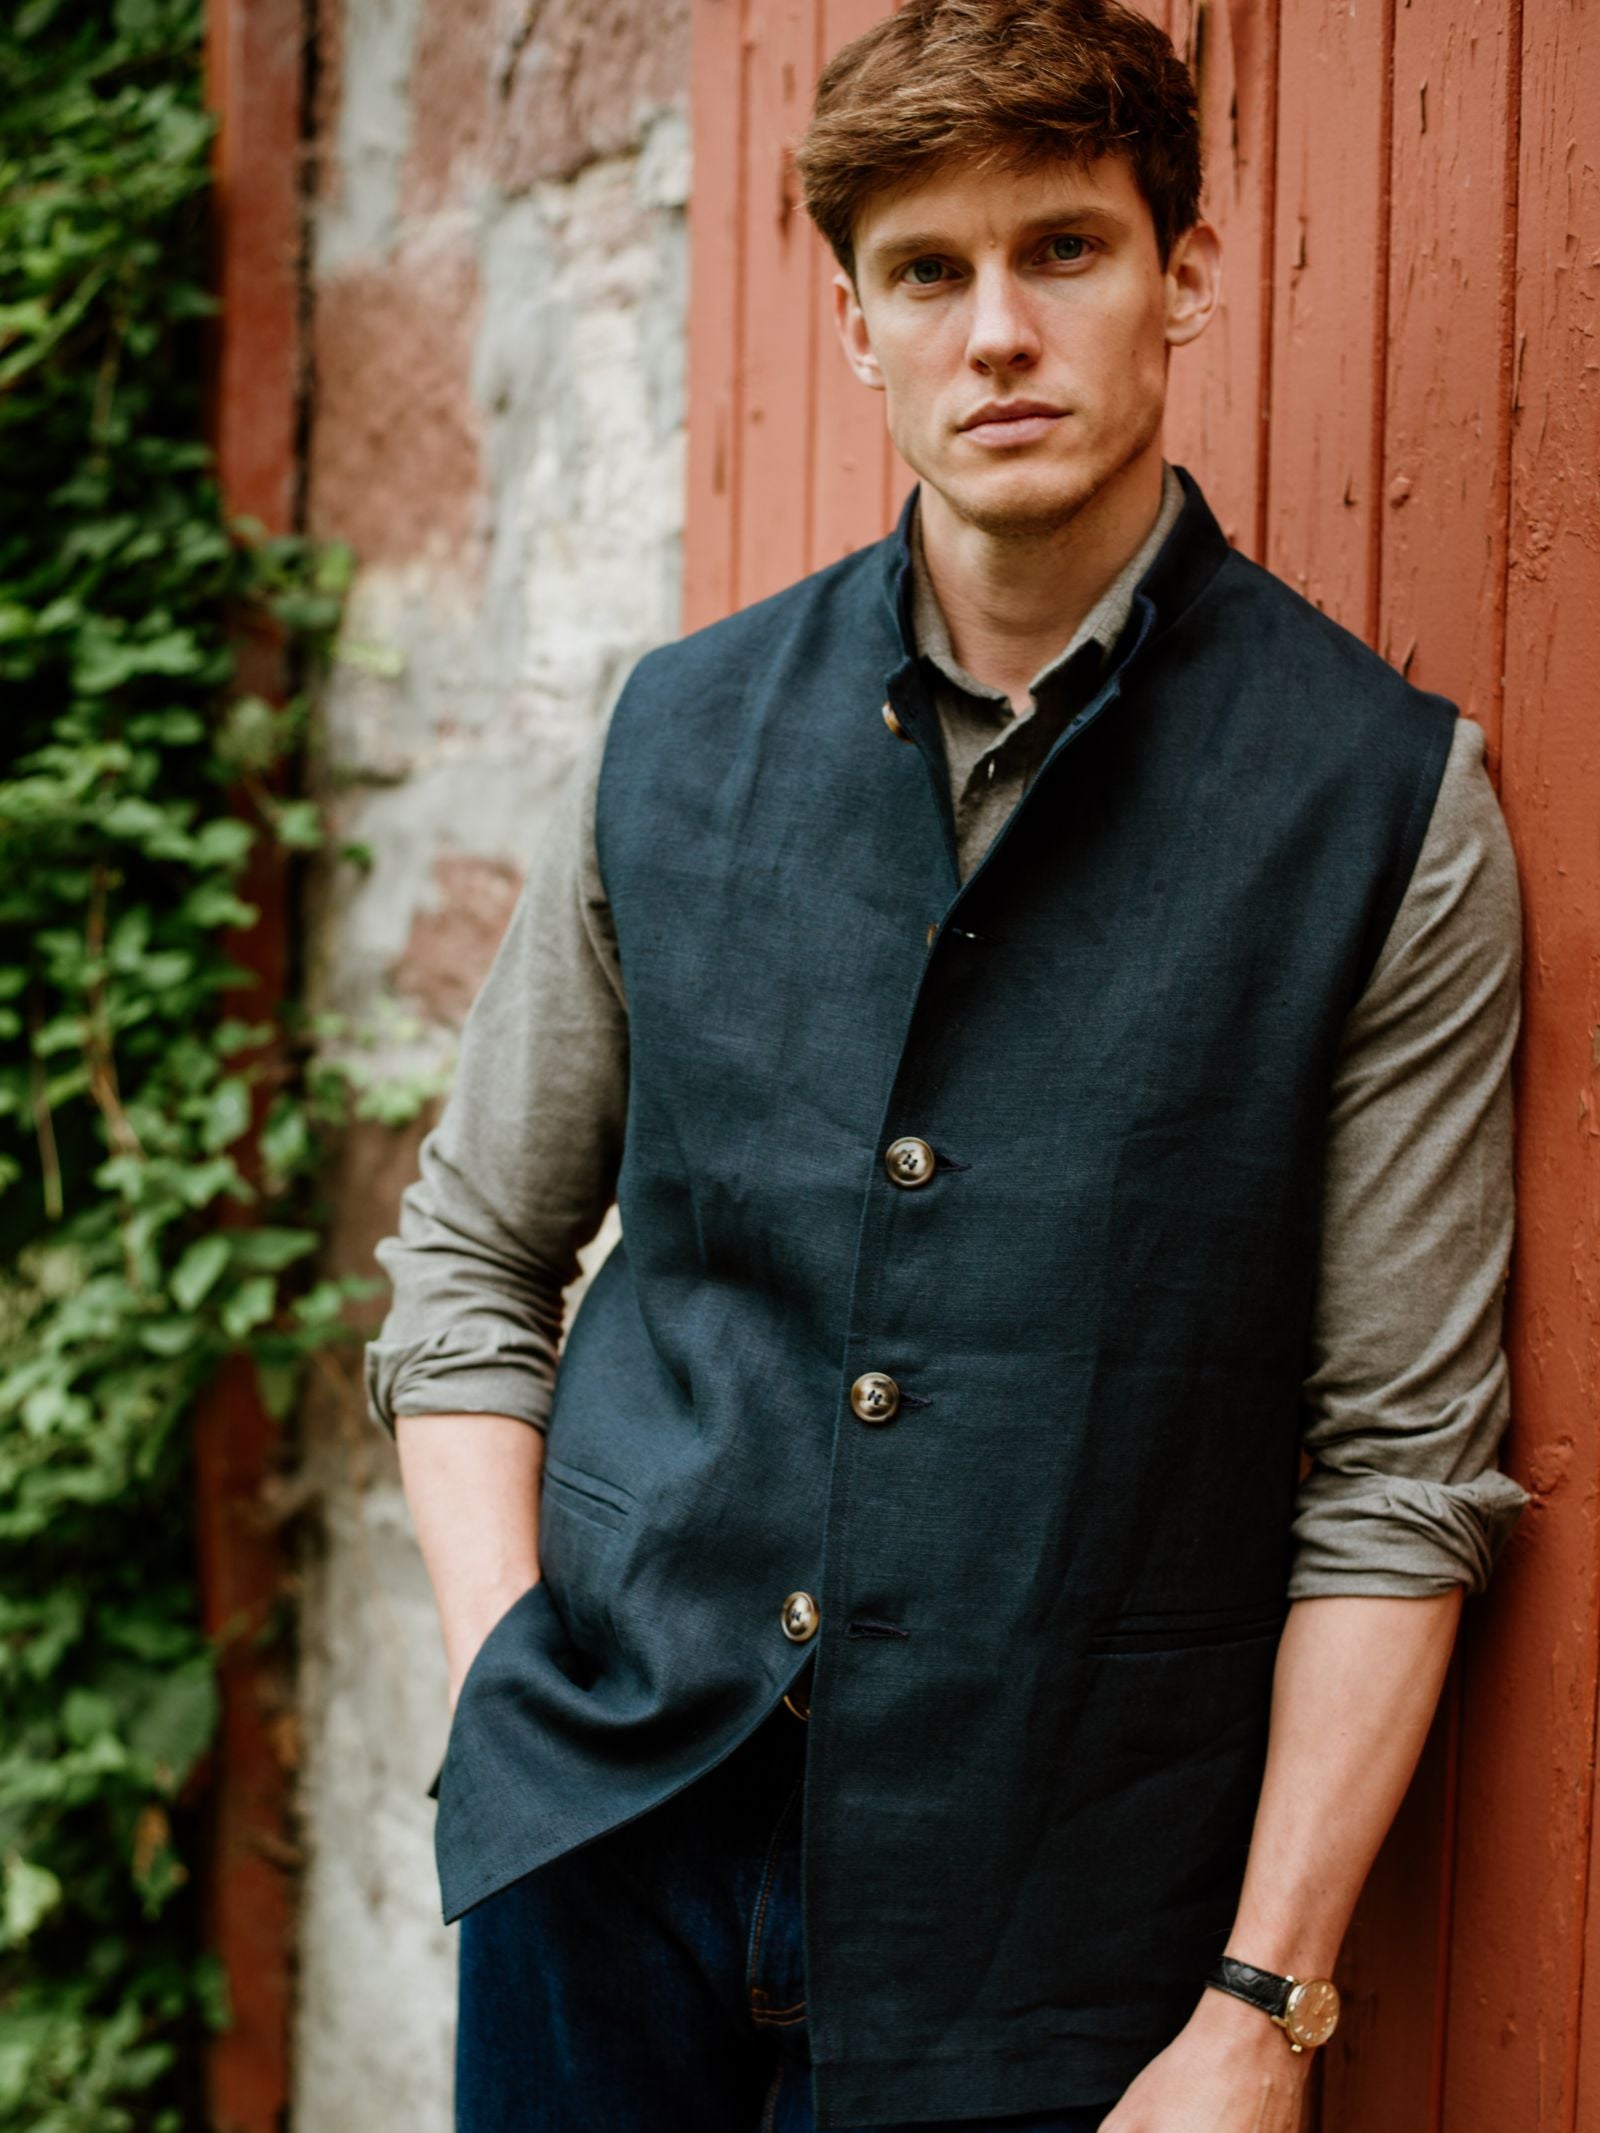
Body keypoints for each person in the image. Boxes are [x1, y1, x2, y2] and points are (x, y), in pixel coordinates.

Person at [363, 3, 1529, 2127]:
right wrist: (509, 1677)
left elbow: (1399, 1465)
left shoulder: (1381, 800)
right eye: (927, 272)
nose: (995, 330)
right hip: (598, 1879)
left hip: (1057, 1955)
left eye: (1059, 250)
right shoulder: (672, 732)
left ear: (1180, 274)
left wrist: (1259, 2004)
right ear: (852, 326)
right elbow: (464, 1260)